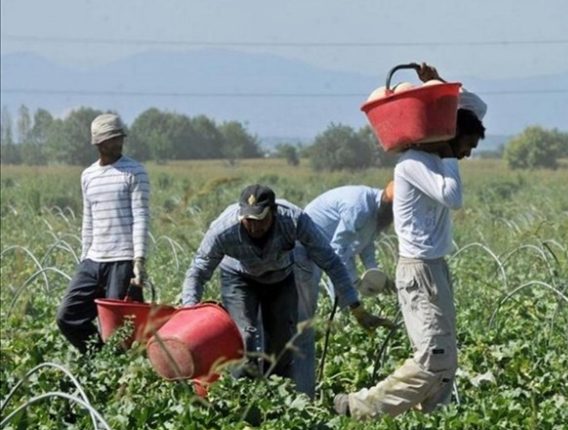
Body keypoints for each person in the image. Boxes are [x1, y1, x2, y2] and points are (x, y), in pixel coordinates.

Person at [335, 63, 487, 419]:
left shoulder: (433, 159)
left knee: (446, 359)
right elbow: (452, 197)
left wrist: (437, 86)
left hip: (435, 268)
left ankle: (435, 417)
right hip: (418, 271)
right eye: (466, 145)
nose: (467, 154)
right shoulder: (413, 163)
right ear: (450, 138)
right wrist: (449, 154)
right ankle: (359, 407)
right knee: (433, 358)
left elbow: (477, 108)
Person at [180, 184, 393, 381]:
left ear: (273, 212)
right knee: (245, 338)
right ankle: (242, 398)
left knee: (281, 346)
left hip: (280, 278)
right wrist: (189, 313)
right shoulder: (223, 230)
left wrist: (356, 308)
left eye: (260, 219)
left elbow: (331, 261)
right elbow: (198, 271)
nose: (253, 227)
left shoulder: (293, 220)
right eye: (248, 220)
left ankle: (276, 400)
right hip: (239, 278)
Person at [56, 113, 150, 354]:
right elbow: (88, 220)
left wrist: (138, 261)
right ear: (98, 143)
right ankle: (99, 360)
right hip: (94, 260)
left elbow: (141, 217)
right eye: (111, 139)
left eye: (119, 137)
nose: (117, 143)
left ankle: (117, 373)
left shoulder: (134, 171)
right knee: (67, 316)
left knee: (119, 330)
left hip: (122, 260)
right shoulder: (88, 175)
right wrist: (84, 257)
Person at [292, 183, 396, 397]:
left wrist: (375, 275)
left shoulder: (375, 213)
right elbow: (337, 253)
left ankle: (326, 362)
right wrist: (353, 286)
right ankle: (301, 388)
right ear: (390, 205)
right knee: (305, 317)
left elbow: (366, 246)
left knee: (342, 303)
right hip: (304, 250)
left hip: (325, 251)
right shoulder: (357, 207)